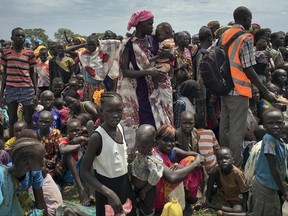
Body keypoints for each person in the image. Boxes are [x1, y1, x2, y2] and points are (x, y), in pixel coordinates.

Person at [219, 6, 277, 168]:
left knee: (224, 130)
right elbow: (247, 67)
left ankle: (223, 167)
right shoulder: (246, 37)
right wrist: (265, 91)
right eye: (250, 19)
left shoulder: (225, 34)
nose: (250, 22)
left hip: (224, 88)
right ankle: (234, 169)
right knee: (237, 133)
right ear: (245, 18)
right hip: (238, 89)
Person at [117, 9, 173, 153]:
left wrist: (169, 56)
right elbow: (125, 71)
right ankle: (145, 153)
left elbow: (167, 57)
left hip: (158, 88)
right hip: (140, 90)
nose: (152, 27)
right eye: (149, 24)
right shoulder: (128, 44)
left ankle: (161, 154)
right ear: (139, 24)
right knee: (146, 121)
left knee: (162, 123)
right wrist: (148, 72)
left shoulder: (153, 39)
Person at [80, 92, 137, 215]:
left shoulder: (120, 128)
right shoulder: (97, 137)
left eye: (119, 111)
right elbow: (84, 172)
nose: (115, 115)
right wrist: (109, 193)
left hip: (124, 185)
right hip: (106, 190)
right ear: (101, 112)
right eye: (110, 111)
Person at [154, 124, 205, 213]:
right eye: (165, 140)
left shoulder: (172, 150)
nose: (169, 144)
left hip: (169, 184)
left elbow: (198, 156)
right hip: (157, 194)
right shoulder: (155, 155)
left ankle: (189, 194)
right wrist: (194, 165)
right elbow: (171, 178)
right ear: (157, 140)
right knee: (191, 164)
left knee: (190, 160)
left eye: (172, 141)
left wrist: (180, 166)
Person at [0, 27, 37, 137]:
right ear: (12, 38)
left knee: (28, 118)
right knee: (12, 119)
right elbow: (4, 74)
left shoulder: (30, 53)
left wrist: (36, 92)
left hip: (27, 88)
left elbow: (33, 73)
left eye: (22, 36)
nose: (20, 37)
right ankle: (12, 141)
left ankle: (29, 139)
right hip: (11, 88)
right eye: (17, 35)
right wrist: (1, 94)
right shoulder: (5, 52)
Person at [251, 108, 288, 216]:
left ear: (283, 124)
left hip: (271, 185)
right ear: (264, 126)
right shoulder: (269, 139)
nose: (275, 126)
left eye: (278, 123)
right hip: (264, 186)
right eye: (270, 123)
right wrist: (284, 190)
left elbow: (281, 165)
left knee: (273, 209)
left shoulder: (280, 142)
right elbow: (273, 167)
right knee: (267, 210)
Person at [0, 137, 48, 215]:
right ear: (27, 163)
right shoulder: (2, 177)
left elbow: (40, 203)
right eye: (41, 158)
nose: (44, 162)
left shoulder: (35, 172)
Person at [131, 124, 163, 216]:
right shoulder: (142, 153)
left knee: (147, 210)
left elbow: (155, 177)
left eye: (143, 147)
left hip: (147, 190)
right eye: (138, 145)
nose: (140, 149)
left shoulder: (152, 161)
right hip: (137, 188)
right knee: (138, 206)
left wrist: (144, 191)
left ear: (153, 144)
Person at [76, 34, 121, 101]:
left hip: (99, 85)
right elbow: (66, 50)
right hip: (88, 86)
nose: (91, 47)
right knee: (89, 105)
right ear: (86, 45)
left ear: (97, 44)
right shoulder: (83, 55)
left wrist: (101, 42)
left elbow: (118, 42)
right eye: (89, 44)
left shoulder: (102, 53)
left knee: (100, 104)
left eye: (93, 44)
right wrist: (82, 45)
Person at [206, 147, 248, 216]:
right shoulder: (218, 169)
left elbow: (245, 192)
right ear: (217, 161)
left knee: (238, 209)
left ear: (233, 159)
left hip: (234, 195)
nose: (223, 161)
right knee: (213, 172)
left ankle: (223, 213)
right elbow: (210, 182)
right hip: (224, 191)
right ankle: (207, 200)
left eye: (226, 158)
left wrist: (244, 209)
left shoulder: (237, 173)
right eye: (220, 159)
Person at [59, 118, 90, 206]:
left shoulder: (84, 136)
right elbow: (63, 150)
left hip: (82, 171)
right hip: (69, 174)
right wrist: (77, 144)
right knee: (69, 153)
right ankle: (81, 189)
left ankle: (91, 190)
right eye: (71, 131)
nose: (74, 133)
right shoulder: (64, 140)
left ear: (81, 129)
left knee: (89, 152)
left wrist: (84, 138)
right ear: (67, 131)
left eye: (77, 130)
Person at [37, 111, 64, 180]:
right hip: (40, 161)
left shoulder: (55, 133)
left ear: (51, 123)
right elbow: (34, 153)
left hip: (54, 159)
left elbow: (58, 150)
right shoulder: (35, 135)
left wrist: (54, 159)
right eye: (41, 121)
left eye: (46, 122)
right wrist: (45, 160)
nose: (43, 124)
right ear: (38, 121)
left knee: (58, 168)